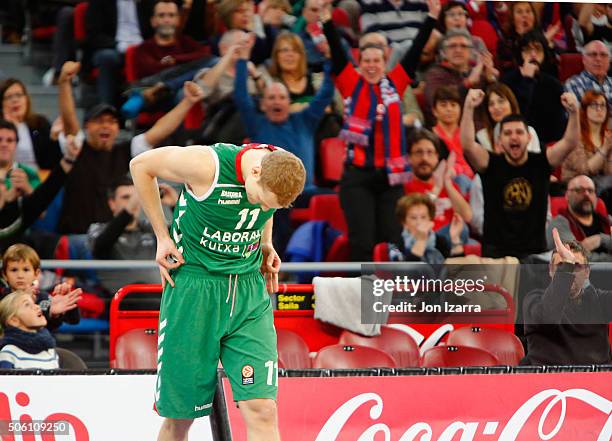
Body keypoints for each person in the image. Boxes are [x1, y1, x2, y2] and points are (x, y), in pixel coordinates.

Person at [130, 143, 306, 441]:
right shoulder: (204, 164)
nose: (263, 208)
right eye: (260, 199)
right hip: (195, 287)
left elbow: (268, 203)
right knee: (180, 418)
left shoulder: (280, 163)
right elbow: (141, 166)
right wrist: (162, 235)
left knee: (263, 408)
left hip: (248, 290)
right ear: (254, 171)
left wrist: (265, 241)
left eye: (271, 207)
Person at [322, 0, 440, 261]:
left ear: (385, 62)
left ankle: (391, 298)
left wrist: (431, 17)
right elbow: (336, 49)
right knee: (362, 242)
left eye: (377, 60)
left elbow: (416, 48)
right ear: (359, 62)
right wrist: (327, 20)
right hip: (357, 178)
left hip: (390, 179)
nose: (372, 65)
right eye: (367, 61)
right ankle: (360, 299)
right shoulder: (349, 82)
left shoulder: (395, 82)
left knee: (393, 242)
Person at [56, 61, 205, 235]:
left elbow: (158, 131)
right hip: (76, 236)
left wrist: (188, 101)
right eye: (99, 121)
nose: (106, 126)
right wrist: (64, 83)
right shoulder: (78, 148)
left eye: (111, 122)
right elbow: (70, 122)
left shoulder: (127, 151)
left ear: (117, 129)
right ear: (87, 126)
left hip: (115, 241)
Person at [460, 89, 580, 259]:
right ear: (499, 140)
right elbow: (467, 145)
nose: (514, 137)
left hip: (534, 254)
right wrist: (468, 107)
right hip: (497, 255)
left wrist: (574, 112)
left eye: (519, 132)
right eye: (507, 133)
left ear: (529, 137)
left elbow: (570, 142)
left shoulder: (542, 162)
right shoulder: (490, 163)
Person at [522, 228, 612, 365]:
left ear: (587, 272)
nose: (571, 272)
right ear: (551, 270)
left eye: (576, 266)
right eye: (562, 266)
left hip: (596, 383)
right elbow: (548, 318)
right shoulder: (533, 300)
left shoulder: (599, 300)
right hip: (548, 383)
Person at [88, 176, 177, 293]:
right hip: (121, 299)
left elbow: (181, 240)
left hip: (157, 295)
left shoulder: (151, 227)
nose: (134, 202)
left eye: (137, 197)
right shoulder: (98, 228)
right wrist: (128, 210)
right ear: (112, 203)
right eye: (126, 198)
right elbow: (101, 246)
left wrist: (175, 206)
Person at [501, 30, 566, 146]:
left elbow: (559, 126)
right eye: (527, 50)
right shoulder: (507, 81)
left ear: (545, 54)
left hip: (547, 145)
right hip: (515, 142)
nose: (533, 54)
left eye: (538, 49)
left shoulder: (554, 85)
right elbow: (516, 117)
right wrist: (527, 81)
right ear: (520, 54)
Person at [84, 0, 156, 105]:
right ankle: (106, 108)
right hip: (113, 47)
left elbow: (154, 30)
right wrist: (120, 45)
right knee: (107, 57)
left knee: (160, 56)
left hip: (142, 47)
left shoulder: (146, 2)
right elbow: (93, 34)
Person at [423, 28, 499, 126]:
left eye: (463, 46)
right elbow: (435, 101)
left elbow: (494, 102)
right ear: (444, 52)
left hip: (482, 129)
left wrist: (491, 80)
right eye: (452, 46)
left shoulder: (478, 72)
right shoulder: (435, 74)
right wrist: (468, 83)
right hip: (451, 130)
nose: (458, 50)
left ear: (471, 52)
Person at [1, 244, 81, 331]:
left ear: (36, 274)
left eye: (26, 270)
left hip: (41, 344)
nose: (20, 275)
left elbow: (73, 321)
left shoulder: (43, 297)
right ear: (4, 274)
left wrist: (54, 314)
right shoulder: (2, 300)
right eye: (14, 270)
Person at [546, 175, 612, 262]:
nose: (586, 194)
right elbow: (577, 259)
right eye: (579, 190)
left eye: (590, 190)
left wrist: (601, 239)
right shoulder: (558, 225)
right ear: (567, 195)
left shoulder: (607, 220)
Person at [0, 79, 63, 171]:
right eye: (9, 97)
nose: (15, 100)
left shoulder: (40, 123)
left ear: (26, 99)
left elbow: (53, 163)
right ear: (2, 104)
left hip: (36, 179)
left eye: (19, 95)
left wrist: (54, 138)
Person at [389, 193, 465, 263]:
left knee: (473, 259)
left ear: (430, 219)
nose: (419, 222)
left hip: (443, 277)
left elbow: (458, 269)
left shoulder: (439, 240)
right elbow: (403, 273)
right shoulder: (395, 244)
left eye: (423, 217)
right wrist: (421, 241)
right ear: (404, 222)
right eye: (413, 218)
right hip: (417, 277)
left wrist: (455, 238)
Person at [561, 90, 612, 183]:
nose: (599, 109)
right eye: (594, 105)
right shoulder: (575, 136)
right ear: (584, 110)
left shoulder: (608, 136)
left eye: (603, 105)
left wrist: (610, 152)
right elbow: (584, 171)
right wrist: (605, 149)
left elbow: (608, 172)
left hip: (603, 185)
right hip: (575, 185)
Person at [475, 83, 540, 154]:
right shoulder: (481, 136)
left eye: (501, 101)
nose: (496, 107)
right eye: (491, 104)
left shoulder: (530, 131)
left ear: (511, 104)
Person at [0, 291, 59, 369]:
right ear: (14, 320)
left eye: (34, 303)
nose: (37, 306)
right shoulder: (9, 353)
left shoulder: (51, 351)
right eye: (27, 305)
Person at [420, 1, 487, 67]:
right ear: (443, 19)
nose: (457, 18)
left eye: (461, 14)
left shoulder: (477, 41)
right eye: (451, 14)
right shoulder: (437, 41)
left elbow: (487, 65)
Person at [431, 85, 473, 186]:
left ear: (460, 109)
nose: (449, 109)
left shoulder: (468, 134)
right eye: (443, 105)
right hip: (442, 181)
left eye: (453, 105)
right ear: (434, 111)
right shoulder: (429, 136)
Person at [565, 40, 612, 104]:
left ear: (609, 60)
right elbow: (577, 113)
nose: (598, 59)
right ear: (584, 60)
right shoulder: (574, 84)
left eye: (603, 55)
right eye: (593, 54)